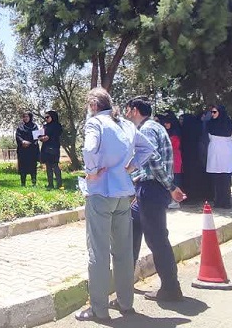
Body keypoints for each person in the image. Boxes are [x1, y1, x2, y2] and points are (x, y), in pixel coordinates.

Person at [76, 88, 156, 321]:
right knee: (123, 252)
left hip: (100, 193)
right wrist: (131, 167)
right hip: (124, 194)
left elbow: (89, 149)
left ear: (93, 105)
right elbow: (148, 148)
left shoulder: (95, 123)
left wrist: (91, 172)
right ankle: (125, 302)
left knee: (98, 252)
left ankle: (99, 310)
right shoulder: (126, 125)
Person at [124, 98, 187, 303]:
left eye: (127, 110)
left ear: (134, 110)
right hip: (147, 189)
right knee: (133, 231)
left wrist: (171, 187)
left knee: (157, 240)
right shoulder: (154, 127)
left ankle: (171, 289)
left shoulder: (147, 129)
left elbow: (152, 159)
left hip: (151, 189)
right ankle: (125, 284)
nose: (126, 115)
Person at [205, 105, 232, 209]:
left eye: (215, 112)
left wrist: (229, 146)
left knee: (225, 178)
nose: (212, 114)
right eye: (212, 112)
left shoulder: (230, 123)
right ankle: (218, 201)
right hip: (215, 151)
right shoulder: (210, 123)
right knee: (216, 178)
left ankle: (226, 201)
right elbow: (208, 137)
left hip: (226, 152)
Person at [159, 113, 183, 209]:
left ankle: (176, 200)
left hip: (175, 158)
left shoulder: (176, 133)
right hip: (168, 159)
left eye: (167, 122)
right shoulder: (166, 132)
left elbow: (174, 146)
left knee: (175, 180)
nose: (166, 124)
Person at [39, 110, 63, 189]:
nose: (46, 119)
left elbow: (56, 135)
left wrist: (48, 137)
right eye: (45, 117)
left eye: (47, 117)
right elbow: (40, 135)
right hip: (45, 148)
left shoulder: (57, 126)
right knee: (48, 166)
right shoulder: (45, 126)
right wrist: (41, 138)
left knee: (54, 165)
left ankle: (59, 184)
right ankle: (50, 184)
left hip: (54, 148)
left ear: (52, 117)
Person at [15, 112, 39, 187]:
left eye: (27, 116)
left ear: (30, 117)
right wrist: (22, 141)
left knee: (33, 166)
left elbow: (36, 137)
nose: (25, 118)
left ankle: (34, 183)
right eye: (24, 117)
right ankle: (23, 183)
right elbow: (18, 136)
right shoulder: (20, 127)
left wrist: (30, 143)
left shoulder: (35, 126)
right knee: (23, 167)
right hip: (23, 150)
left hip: (32, 150)